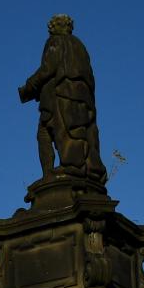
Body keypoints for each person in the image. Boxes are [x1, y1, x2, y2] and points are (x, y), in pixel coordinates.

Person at [18, 14, 107, 185]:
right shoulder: (80, 46)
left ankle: (64, 168)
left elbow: (47, 69)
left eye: (54, 25)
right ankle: (69, 167)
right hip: (80, 98)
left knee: (51, 132)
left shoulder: (56, 42)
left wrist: (27, 89)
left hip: (60, 96)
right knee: (72, 130)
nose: (52, 28)